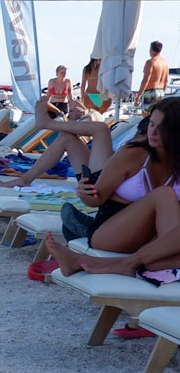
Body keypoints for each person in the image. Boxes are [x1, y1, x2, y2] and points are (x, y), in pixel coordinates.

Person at [46, 101, 180, 277]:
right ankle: (135, 261)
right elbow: (96, 199)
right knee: (164, 194)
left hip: (156, 237)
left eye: (162, 128)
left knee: (173, 255)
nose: (153, 132)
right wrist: (84, 193)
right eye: (152, 124)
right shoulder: (133, 153)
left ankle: (89, 262)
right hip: (111, 231)